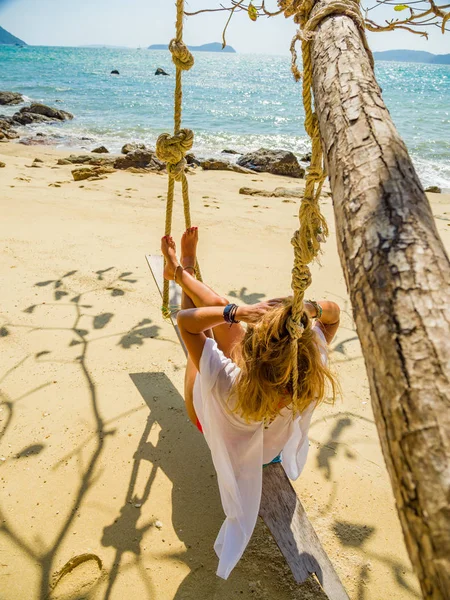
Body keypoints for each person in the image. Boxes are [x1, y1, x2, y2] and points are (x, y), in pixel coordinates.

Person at [161, 227, 340, 579]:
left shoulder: (231, 384)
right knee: (227, 329)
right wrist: (309, 307)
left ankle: (182, 271)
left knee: (214, 337)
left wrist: (238, 312)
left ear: (254, 358)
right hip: (270, 451)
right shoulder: (309, 377)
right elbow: (332, 314)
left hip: (208, 421)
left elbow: (186, 324)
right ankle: (182, 273)